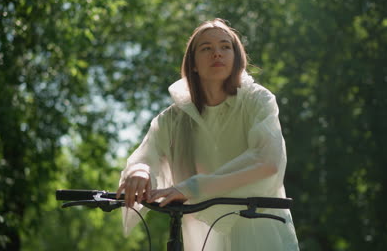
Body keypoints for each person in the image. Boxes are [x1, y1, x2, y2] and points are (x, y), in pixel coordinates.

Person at [116, 18, 299, 250]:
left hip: (257, 225)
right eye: (206, 48)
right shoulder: (174, 117)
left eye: (225, 46)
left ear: (236, 58)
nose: (217, 54)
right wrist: (140, 171)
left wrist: (192, 188)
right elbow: (147, 154)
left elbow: (268, 161)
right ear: (192, 63)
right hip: (202, 230)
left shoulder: (258, 101)